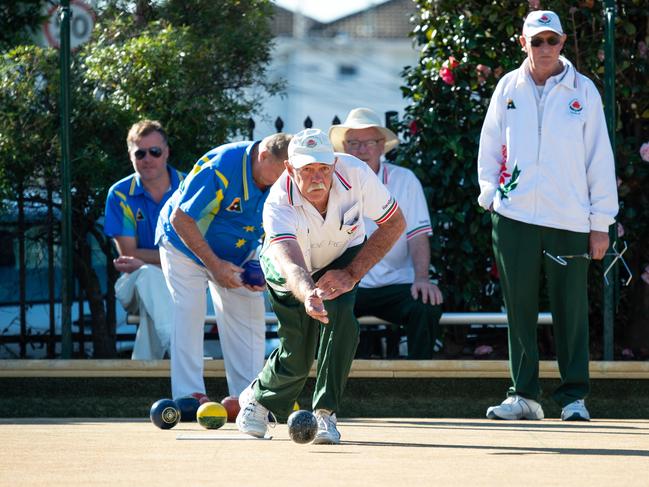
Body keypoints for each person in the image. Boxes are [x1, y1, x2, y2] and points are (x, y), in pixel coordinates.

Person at [477, 10, 618, 421]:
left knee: (570, 309)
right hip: (514, 216)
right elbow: (489, 144)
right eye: (536, 41)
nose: (544, 49)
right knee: (518, 308)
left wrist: (600, 223)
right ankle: (524, 396)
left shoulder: (584, 91)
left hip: (569, 220)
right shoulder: (508, 87)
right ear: (524, 43)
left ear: (562, 42)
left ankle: (574, 398)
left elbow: (599, 158)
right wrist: (490, 195)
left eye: (551, 40)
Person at [236, 128, 406, 444]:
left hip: (342, 256)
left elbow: (395, 223)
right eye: (307, 170)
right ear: (289, 169)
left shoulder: (356, 172)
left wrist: (352, 273)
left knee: (342, 320)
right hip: (289, 265)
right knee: (298, 353)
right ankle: (258, 399)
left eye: (324, 169)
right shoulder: (276, 203)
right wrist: (308, 294)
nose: (317, 178)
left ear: (334, 165)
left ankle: (325, 413)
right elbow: (290, 262)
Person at [155, 133, 292, 402]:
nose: (285, 181)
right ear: (263, 156)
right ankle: (188, 396)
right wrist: (215, 266)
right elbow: (181, 218)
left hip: (239, 249)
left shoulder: (287, 177)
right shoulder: (221, 167)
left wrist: (264, 264)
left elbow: (282, 227)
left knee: (249, 310)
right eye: (280, 172)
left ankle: (250, 399)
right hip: (183, 245)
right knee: (189, 310)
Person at [329, 107, 443, 359]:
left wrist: (422, 278)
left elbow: (417, 235)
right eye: (354, 143)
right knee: (319, 308)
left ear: (382, 146)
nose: (361, 149)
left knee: (426, 305)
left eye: (369, 142)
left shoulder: (405, 180)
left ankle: (421, 383)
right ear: (345, 148)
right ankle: (328, 382)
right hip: (348, 283)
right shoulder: (331, 182)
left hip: (396, 283)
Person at [104, 120, 184, 360]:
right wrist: (174, 258)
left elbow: (200, 247)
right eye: (140, 153)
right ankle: (180, 351)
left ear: (166, 152)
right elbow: (130, 254)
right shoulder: (120, 194)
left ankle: (143, 375)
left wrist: (150, 259)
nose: (147, 158)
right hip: (136, 281)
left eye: (155, 151)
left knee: (154, 307)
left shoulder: (188, 187)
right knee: (149, 276)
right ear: (131, 156)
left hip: (183, 280)